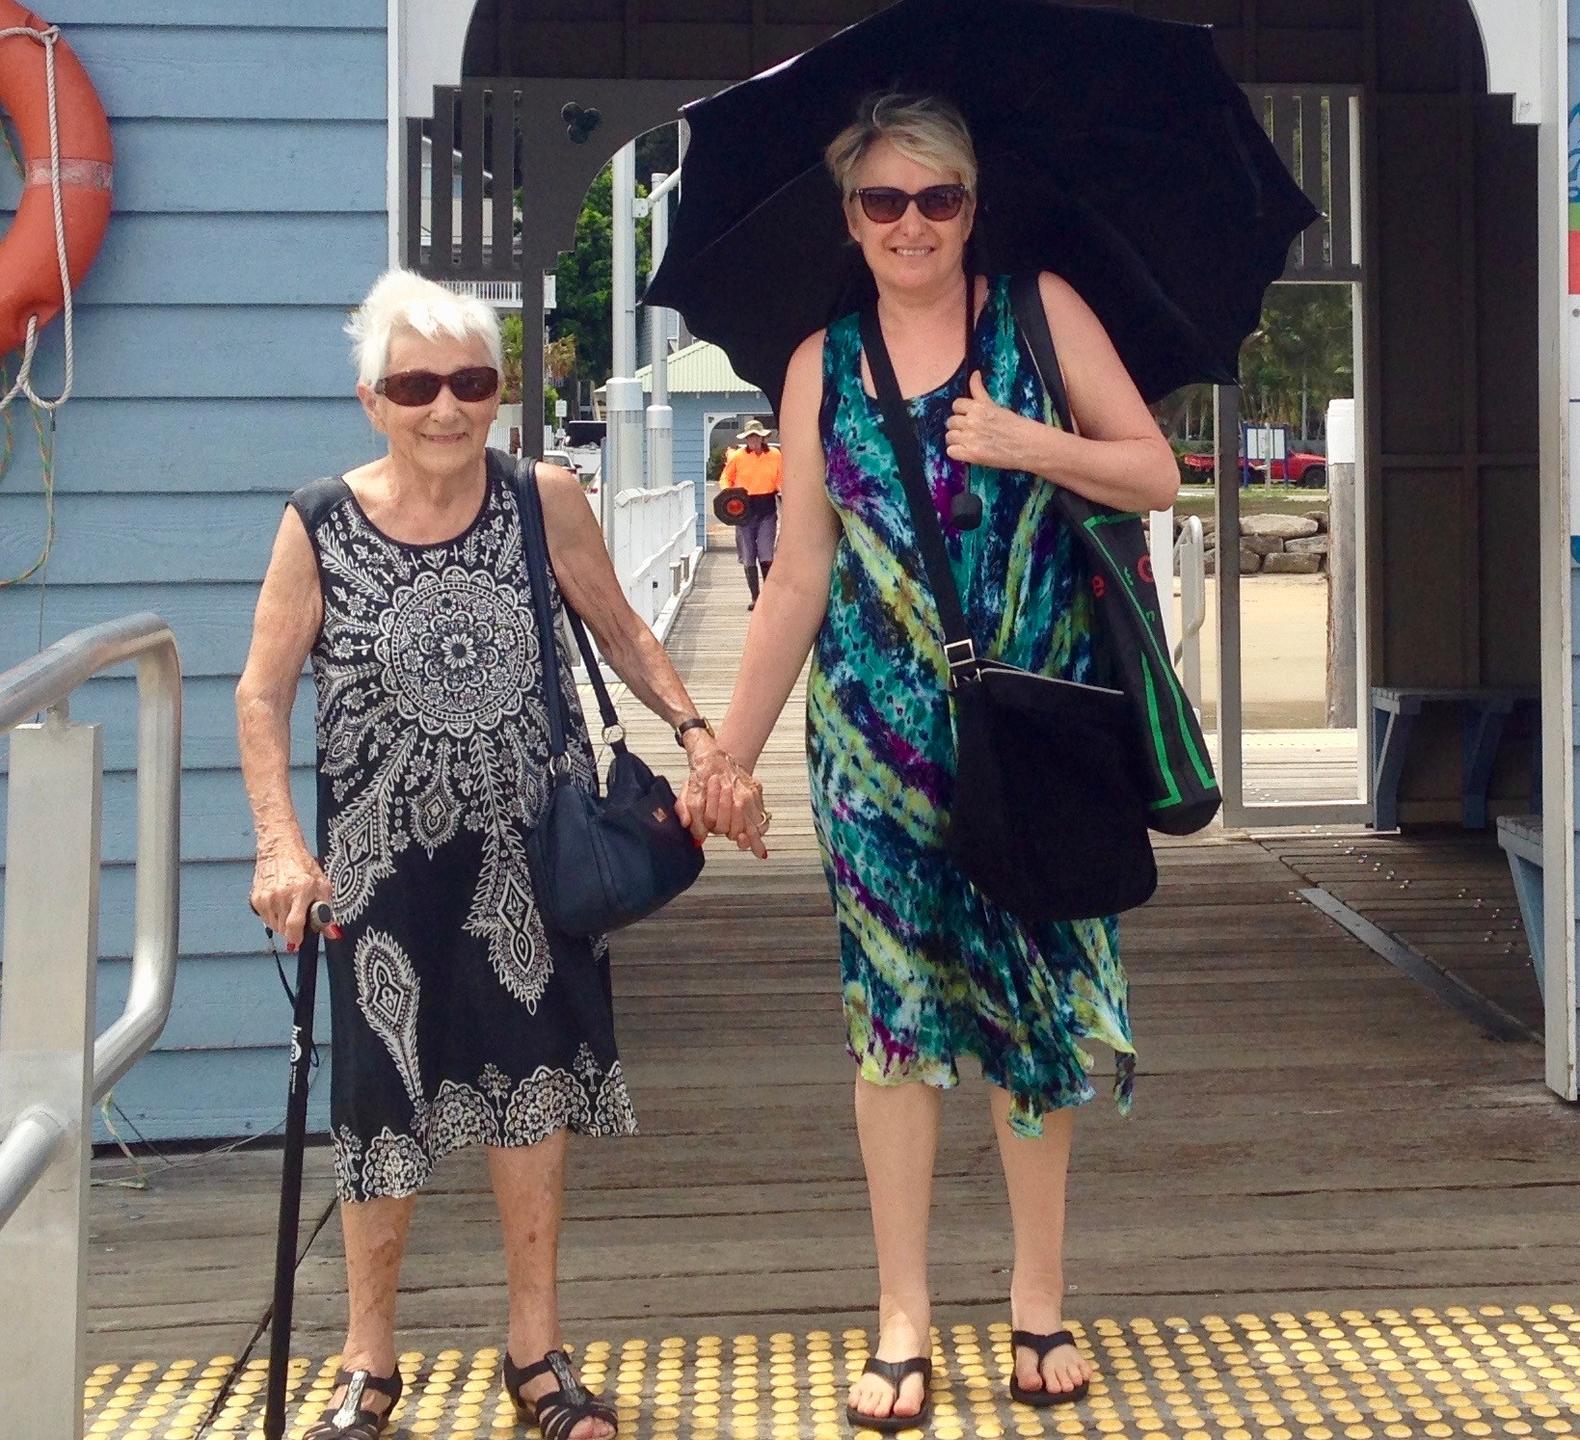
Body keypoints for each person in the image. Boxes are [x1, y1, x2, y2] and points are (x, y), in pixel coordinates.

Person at [685, 94, 1179, 1429]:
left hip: (1034, 732)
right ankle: (901, 1312)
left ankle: (1036, 1297)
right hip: (872, 745)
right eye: (884, 201)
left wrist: (1026, 443)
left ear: (972, 207)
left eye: (938, 198)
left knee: (1035, 1007)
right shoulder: (821, 364)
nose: (912, 224)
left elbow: (1152, 471)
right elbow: (797, 577)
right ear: (850, 218)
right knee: (892, 1021)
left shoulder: (1038, 316)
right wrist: (727, 754)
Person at [236, 270, 765, 1440]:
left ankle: (535, 1348)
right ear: (372, 400)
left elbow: (622, 630)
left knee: (532, 1092)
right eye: (415, 386)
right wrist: (279, 844)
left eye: (471, 382)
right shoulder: (318, 522)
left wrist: (699, 741)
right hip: (377, 866)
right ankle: (368, 1362)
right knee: (380, 1107)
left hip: (528, 855)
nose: (445, 407)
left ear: (498, 391)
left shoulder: (541, 497)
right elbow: (261, 695)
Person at [719, 418, 783, 609]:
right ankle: (755, 597)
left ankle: (768, 598)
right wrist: (728, 494)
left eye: (756, 436)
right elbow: (725, 477)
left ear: (763, 438)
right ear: (746, 439)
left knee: (766, 553)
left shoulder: (775, 455)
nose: (753, 440)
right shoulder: (738, 456)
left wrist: (782, 491)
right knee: (748, 554)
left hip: (766, 507)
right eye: (750, 437)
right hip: (743, 509)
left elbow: (781, 478)